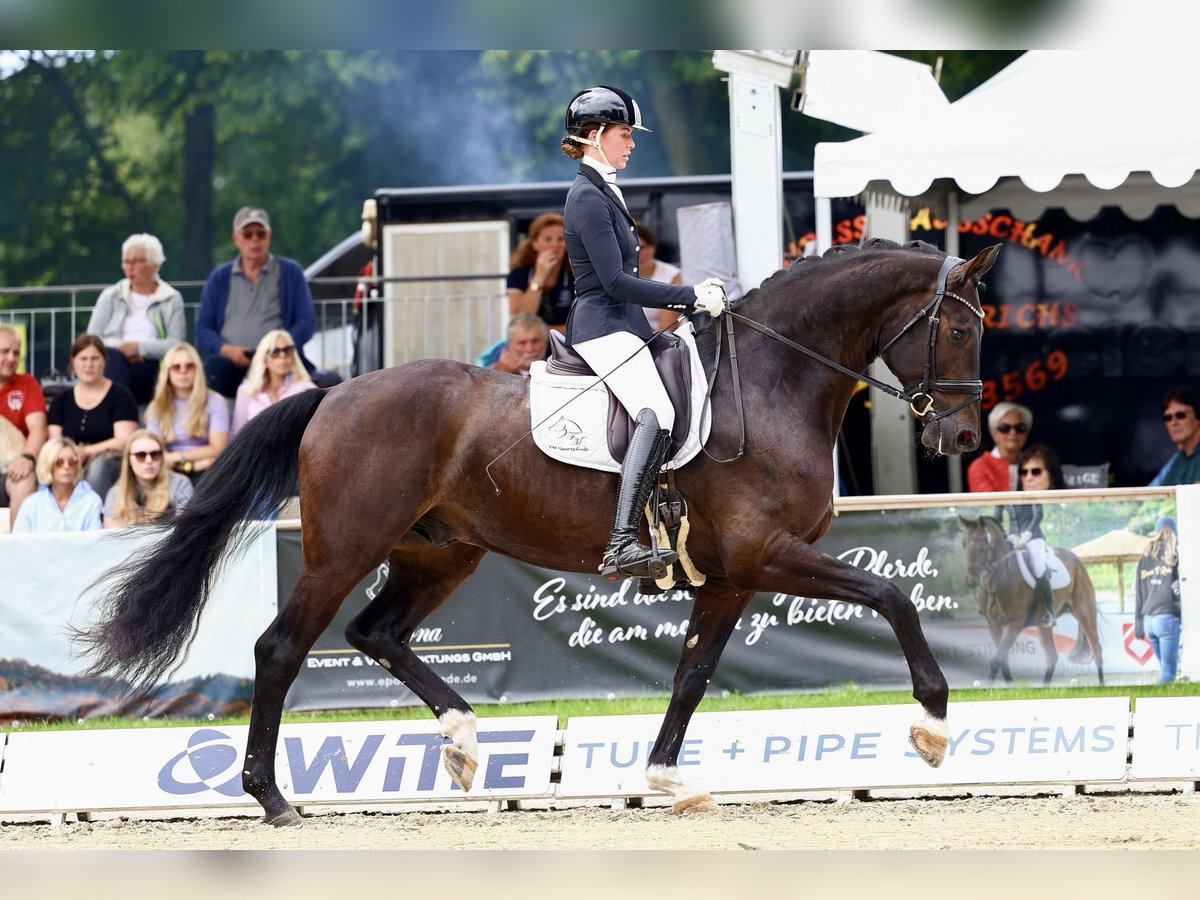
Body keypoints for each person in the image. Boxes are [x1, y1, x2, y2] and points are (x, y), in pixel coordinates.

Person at [560, 85, 726, 581]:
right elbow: (613, 282)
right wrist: (688, 295)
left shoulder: (605, 188)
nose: (632, 144)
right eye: (625, 134)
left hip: (625, 325)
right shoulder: (587, 196)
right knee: (657, 413)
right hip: (602, 325)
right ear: (595, 136)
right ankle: (620, 543)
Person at [196, 207, 316, 398]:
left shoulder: (290, 272)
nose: (255, 239)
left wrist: (277, 350)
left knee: (315, 385)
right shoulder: (219, 277)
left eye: (261, 233)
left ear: (269, 236)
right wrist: (227, 350)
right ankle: (217, 426)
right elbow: (203, 329)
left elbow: (306, 322)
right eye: (248, 234)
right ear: (236, 237)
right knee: (213, 369)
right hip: (231, 362)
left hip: (278, 359)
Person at [85, 233, 187, 404]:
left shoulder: (170, 298)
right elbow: (91, 339)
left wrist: (139, 348)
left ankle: (117, 416)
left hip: (151, 363)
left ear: (154, 265)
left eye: (137, 261)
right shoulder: (111, 295)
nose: (129, 267)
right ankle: (119, 416)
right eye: (126, 261)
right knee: (114, 359)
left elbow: (177, 344)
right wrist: (122, 348)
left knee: (129, 370)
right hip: (113, 360)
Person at [47, 335, 138, 500]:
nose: (88, 365)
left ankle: (95, 519)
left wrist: (87, 451)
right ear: (73, 361)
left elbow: (124, 440)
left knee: (98, 467)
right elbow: (55, 442)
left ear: (104, 360)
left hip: (111, 461)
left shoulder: (121, 396)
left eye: (94, 358)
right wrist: (72, 456)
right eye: (83, 359)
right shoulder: (61, 400)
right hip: (69, 459)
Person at [143, 342, 230, 481]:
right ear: (167, 372)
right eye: (176, 367)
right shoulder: (156, 406)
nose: (183, 371)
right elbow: (154, 451)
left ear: (198, 370)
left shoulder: (215, 401)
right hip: (169, 470)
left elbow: (218, 448)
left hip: (207, 470)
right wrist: (192, 465)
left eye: (189, 366)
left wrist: (178, 457)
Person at [1002, 443, 1064, 627]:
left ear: (1051, 475)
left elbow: (1038, 516)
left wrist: (1027, 534)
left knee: (1038, 568)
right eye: (1024, 472)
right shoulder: (1015, 499)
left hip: (1035, 538)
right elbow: (1011, 521)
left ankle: (1050, 611)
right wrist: (1012, 536)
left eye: (1035, 471)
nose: (1028, 477)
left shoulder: (1062, 501)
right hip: (1016, 541)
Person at [0, 325, 48, 529]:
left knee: (24, 478)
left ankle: (17, 549)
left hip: (13, 464)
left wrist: (27, 458)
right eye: (4, 351)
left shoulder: (27, 383)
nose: (11, 358)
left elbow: (38, 427)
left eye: (16, 353)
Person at [231, 329, 318, 437]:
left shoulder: (307, 389)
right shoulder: (246, 390)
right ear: (264, 358)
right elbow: (237, 434)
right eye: (275, 352)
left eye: (287, 350)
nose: (282, 355)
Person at [103, 429, 195, 528]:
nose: (149, 460)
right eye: (141, 455)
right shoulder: (116, 493)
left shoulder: (180, 483)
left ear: (162, 457)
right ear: (129, 459)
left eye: (155, 454)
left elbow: (184, 526)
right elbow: (111, 535)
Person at [11, 436, 103, 533]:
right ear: (47, 464)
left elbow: (96, 544)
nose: (67, 466)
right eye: (59, 462)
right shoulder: (31, 504)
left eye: (72, 462)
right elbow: (19, 544)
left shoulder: (92, 501)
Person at [506, 212, 575, 333]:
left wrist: (542, 331)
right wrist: (539, 277)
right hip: (531, 344)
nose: (555, 245)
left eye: (560, 239)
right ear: (535, 243)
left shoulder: (575, 273)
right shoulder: (518, 273)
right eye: (548, 239)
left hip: (567, 342)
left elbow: (579, 326)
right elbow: (521, 319)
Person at [1134, 515, 1181, 684]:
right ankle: (1151, 703)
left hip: (1149, 621)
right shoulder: (1175, 555)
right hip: (1167, 619)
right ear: (1175, 532)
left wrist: (1138, 626)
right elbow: (1179, 588)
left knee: (1165, 671)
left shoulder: (1145, 557)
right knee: (1168, 674)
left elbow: (1139, 593)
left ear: (1155, 532)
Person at [968, 402, 1033, 492]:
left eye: (1020, 428)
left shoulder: (1035, 464)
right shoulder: (980, 466)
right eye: (1004, 428)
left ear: (1026, 433)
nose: (1013, 433)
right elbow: (987, 504)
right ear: (994, 433)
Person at [636, 222, 684, 333]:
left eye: (642, 247)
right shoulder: (621, 277)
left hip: (667, 342)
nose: (638, 254)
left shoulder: (674, 276)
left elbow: (666, 329)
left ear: (653, 247)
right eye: (634, 249)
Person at [1149, 386, 1200, 486]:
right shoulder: (1176, 460)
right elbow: (1148, 494)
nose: (1174, 422)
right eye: (1168, 418)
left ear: (1198, 418)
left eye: (1180, 415)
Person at [477, 313, 550, 375]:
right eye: (522, 343)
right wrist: (499, 375)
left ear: (545, 341)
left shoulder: (558, 371)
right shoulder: (490, 373)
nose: (529, 349)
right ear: (509, 344)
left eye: (535, 341)